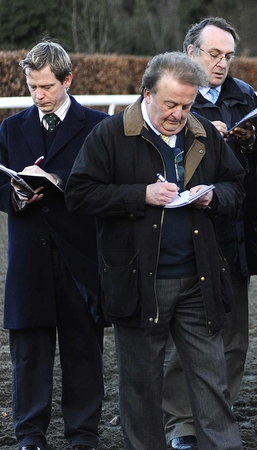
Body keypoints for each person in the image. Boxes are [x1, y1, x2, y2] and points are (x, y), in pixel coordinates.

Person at [65, 52, 245, 450]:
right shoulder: (110, 135)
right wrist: (139, 195)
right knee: (141, 388)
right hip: (138, 281)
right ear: (147, 94)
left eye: (187, 105)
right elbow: (78, 194)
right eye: (171, 104)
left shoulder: (205, 134)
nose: (180, 114)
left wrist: (212, 197)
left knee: (212, 381)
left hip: (199, 278)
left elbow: (237, 187)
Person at [0, 41, 108, 450]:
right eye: (32, 87)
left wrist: (61, 181)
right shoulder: (11, 128)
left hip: (81, 258)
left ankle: (83, 435)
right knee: (29, 354)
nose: (39, 95)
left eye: (46, 86)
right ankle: (30, 435)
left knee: (84, 352)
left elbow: (105, 184)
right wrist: (16, 195)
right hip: (29, 260)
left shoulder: (98, 125)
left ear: (68, 79)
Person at [162, 17, 257, 450]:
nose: (222, 64)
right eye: (214, 54)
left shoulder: (245, 96)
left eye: (228, 56)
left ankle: (219, 414)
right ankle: (181, 424)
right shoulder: (170, 96)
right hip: (188, 235)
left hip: (236, 231)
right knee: (187, 335)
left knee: (235, 337)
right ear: (190, 52)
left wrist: (248, 140)